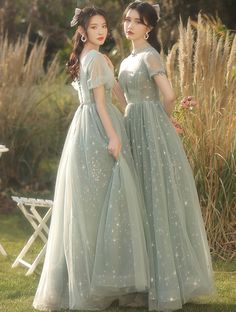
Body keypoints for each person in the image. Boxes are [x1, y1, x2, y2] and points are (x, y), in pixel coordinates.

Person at [33, 6, 150, 311]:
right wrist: (113, 136)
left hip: (82, 131)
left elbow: (107, 97)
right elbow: (101, 103)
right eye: (95, 27)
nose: (102, 31)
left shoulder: (86, 56)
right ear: (82, 31)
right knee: (110, 201)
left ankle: (90, 281)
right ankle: (107, 280)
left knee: (90, 206)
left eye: (104, 26)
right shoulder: (95, 57)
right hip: (98, 129)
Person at [118, 1, 215, 311]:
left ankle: (166, 282)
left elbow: (169, 94)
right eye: (127, 19)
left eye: (137, 21)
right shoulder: (127, 59)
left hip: (148, 127)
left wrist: (161, 120)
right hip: (133, 124)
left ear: (149, 27)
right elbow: (123, 97)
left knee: (154, 196)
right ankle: (143, 281)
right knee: (139, 198)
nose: (129, 25)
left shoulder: (149, 55)